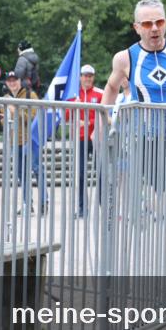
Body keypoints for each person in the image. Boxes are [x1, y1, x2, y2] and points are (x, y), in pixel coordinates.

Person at [3, 71, 44, 216]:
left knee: (37, 170)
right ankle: (27, 204)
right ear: (6, 83)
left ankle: (44, 201)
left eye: (15, 80)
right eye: (9, 81)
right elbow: (6, 121)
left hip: (30, 140)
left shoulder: (29, 96)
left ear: (20, 81)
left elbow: (34, 118)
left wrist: (15, 110)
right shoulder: (7, 99)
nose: (12, 83)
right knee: (22, 174)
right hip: (15, 142)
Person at [66, 65, 103, 219]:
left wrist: (88, 122)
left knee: (100, 173)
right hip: (80, 139)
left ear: (93, 77)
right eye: (85, 76)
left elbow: (104, 113)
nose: (87, 79)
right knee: (80, 174)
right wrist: (75, 106)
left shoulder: (100, 94)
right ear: (80, 77)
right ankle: (82, 208)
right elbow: (67, 116)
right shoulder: (74, 94)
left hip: (96, 138)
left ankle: (103, 206)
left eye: (90, 76)